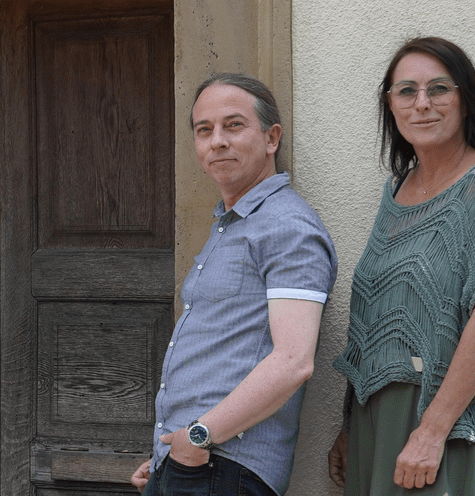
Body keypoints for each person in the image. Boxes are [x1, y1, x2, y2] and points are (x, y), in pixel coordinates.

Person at [327, 37, 475, 495]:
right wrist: (350, 426)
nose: (422, 104)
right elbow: (375, 324)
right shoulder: (395, 192)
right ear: (390, 105)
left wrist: (431, 432)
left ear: (465, 99)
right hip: (377, 422)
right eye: (406, 91)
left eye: (438, 89)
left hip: (447, 424)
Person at [130, 73, 337, 496]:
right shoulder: (232, 225)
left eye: (234, 125)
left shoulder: (287, 226)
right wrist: (166, 459)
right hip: (191, 464)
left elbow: (294, 360)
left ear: (271, 138)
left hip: (223, 467)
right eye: (204, 130)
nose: (217, 141)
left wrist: (197, 438)